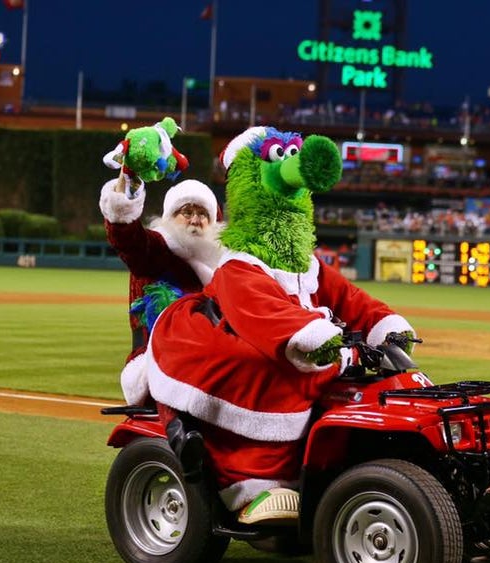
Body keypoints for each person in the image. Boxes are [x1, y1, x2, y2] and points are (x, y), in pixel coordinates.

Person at [146, 125, 415, 525]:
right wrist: (314, 337)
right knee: (278, 381)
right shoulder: (238, 264)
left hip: (306, 349)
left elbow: (348, 299)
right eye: (276, 157)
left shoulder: (307, 265)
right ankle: (251, 485)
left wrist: (384, 327)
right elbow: (262, 311)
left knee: (364, 387)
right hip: (239, 345)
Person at [99, 173, 224, 406]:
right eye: (187, 212)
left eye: (203, 214)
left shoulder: (219, 265)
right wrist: (125, 192)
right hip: (158, 361)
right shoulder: (157, 250)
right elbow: (128, 238)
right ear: (170, 216)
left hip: (207, 360)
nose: (195, 220)